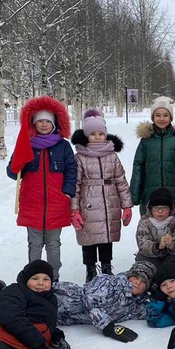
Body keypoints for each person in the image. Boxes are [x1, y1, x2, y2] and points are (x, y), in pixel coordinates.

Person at [0, 261, 156, 346]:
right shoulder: (109, 281)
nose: (136, 282)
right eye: (135, 277)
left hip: (63, 317)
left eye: (142, 281)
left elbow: (151, 312)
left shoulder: (135, 305)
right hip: (61, 299)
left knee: (19, 322)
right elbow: (91, 300)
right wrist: (108, 326)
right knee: (10, 313)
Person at [6, 95, 77, 282]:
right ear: (34, 123)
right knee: (34, 243)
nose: (44, 125)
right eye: (40, 121)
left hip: (56, 203)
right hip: (32, 203)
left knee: (53, 243)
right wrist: (19, 162)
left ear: (54, 123)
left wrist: (67, 192)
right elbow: (13, 173)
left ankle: (53, 279)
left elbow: (71, 170)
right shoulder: (26, 145)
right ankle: (34, 278)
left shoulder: (63, 146)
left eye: (48, 121)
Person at [70, 109, 132, 282]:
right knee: (88, 238)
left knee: (106, 237)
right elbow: (74, 185)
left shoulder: (112, 156)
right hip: (88, 205)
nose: (97, 137)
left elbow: (121, 180)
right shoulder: (80, 157)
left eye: (100, 133)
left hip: (109, 203)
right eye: (93, 134)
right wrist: (74, 210)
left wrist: (127, 205)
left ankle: (106, 266)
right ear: (86, 135)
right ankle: (90, 269)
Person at [130, 96, 175, 217]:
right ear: (153, 117)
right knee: (150, 229)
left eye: (165, 115)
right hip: (150, 194)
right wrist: (135, 195)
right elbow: (138, 167)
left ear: (170, 117)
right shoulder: (146, 141)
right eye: (158, 115)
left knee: (173, 229)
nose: (162, 119)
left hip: (173, 194)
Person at [135, 188, 175, 272]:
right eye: (156, 208)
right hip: (152, 257)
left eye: (164, 208)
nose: (160, 211)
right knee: (141, 258)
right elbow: (142, 243)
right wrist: (158, 246)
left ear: (170, 208)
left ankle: (171, 277)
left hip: (171, 257)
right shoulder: (145, 222)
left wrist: (172, 245)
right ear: (150, 209)